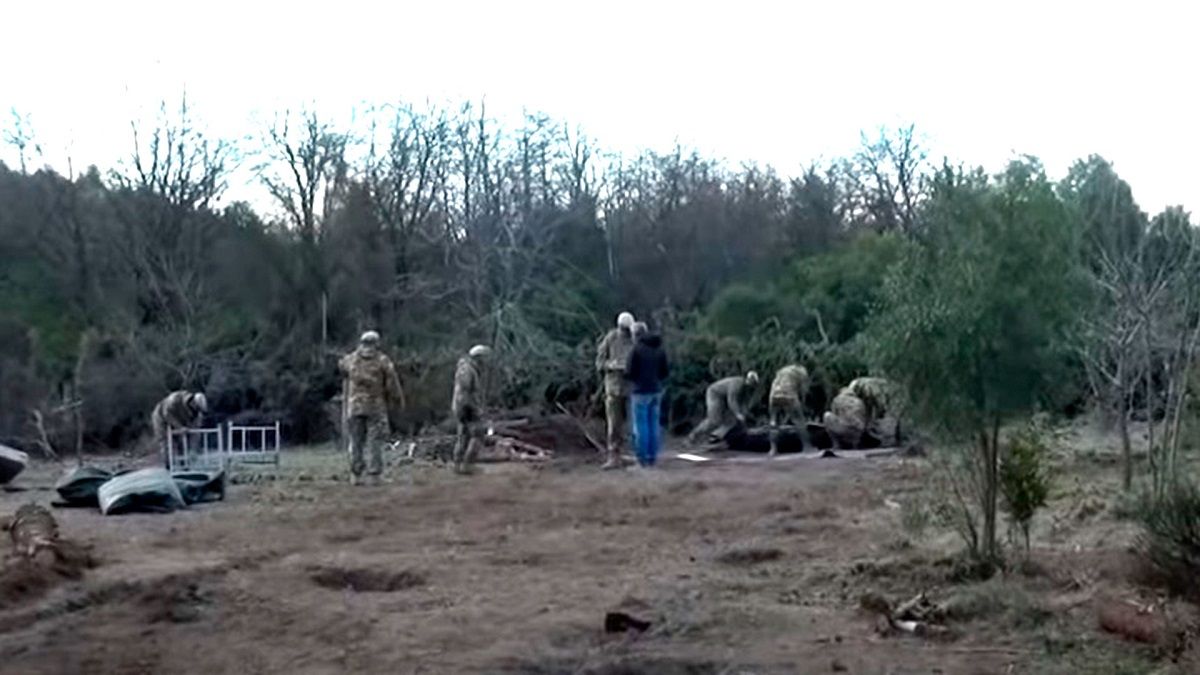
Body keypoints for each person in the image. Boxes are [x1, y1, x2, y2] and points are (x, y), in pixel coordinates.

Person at [339, 331, 405, 486]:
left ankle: (356, 475)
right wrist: (398, 400)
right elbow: (392, 384)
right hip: (375, 406)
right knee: (374, 441)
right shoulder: (382, 360)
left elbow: (341, 366)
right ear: (376, 343)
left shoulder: (351, 359)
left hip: (354, 406)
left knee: (356, 441)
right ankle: (375, 475)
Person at [595, 312, 637, 469]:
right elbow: (599, 363)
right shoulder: (611, 338)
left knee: (634, 425)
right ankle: (614, 456)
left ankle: (634, 455)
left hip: (631, 387)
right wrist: (611, 365)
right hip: (614, 387)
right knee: (614, 425)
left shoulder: (634, 339)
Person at [625, 326, 669, 466]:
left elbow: (629, 372)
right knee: (654, 425)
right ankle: (652, 458)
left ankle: (642, 460)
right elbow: (665, 371)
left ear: (635, 334)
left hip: (640, 391)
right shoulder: (659, 348)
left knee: (641, 427)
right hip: (656, 390)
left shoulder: (636, 349)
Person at [687, 371, 760, 444]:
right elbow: (732, 400)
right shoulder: (737, 384)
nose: (753, 386)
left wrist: (745, 414)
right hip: (715, 394)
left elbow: (743, 403)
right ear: (749, 380)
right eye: (753, 383)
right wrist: (738, 414)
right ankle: (693, 435)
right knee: (714, 420)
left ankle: (715, 437)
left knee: (731, 421)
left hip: (723, 398)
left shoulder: (746, 389)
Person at [452, 344, 492, 475]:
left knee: (463, 436)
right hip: (466, 407)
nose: (486, 362)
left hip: (462, 406)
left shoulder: (468, 368)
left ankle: (458, 465)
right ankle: (467, 465)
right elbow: (465, 392)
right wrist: (474, 409)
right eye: (485, 358)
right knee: (478, 434)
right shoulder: (468, 370)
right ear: (479, 357)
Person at [151, 391, 208, 467]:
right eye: (197, 408)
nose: (197, 411)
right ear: (193, 402)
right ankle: (169, 465)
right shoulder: (175, 399)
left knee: (182, 441)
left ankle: (184, 464)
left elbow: (195, 432)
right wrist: (179, 427)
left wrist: (193, 449)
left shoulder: (197, 415)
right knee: (166, 441)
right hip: (161, 418)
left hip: (180, 420)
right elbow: (167, 414)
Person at [768, 365, 809, 456]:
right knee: (799, 421)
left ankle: (773, 449)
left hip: (773, 395)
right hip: (788, 394)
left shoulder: (780, 372)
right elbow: (803, 390)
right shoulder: (801, 371)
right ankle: (807, 447)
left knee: (773, 422)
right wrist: (802, 403)